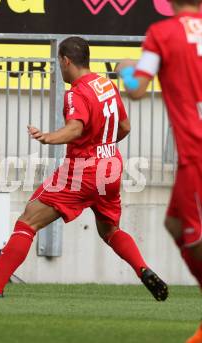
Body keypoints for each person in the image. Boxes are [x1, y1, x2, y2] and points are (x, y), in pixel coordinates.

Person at [0, 36, 168, 302]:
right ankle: (142, 269)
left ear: (65, 60)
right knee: (109, 230)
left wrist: (50, 137)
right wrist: (101, 146)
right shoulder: (106, 84)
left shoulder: (76, 92)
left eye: (59, 62)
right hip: (112, 166)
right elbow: (125, 128)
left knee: (28, 220)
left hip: (83, 171)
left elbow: (76, 127)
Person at [116, 1, 202, 341]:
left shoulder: (162, 33)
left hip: (197, 150)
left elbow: (136, 89)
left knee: (192, 230)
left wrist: (124, 68)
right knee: (175, 222)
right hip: (191, 155)